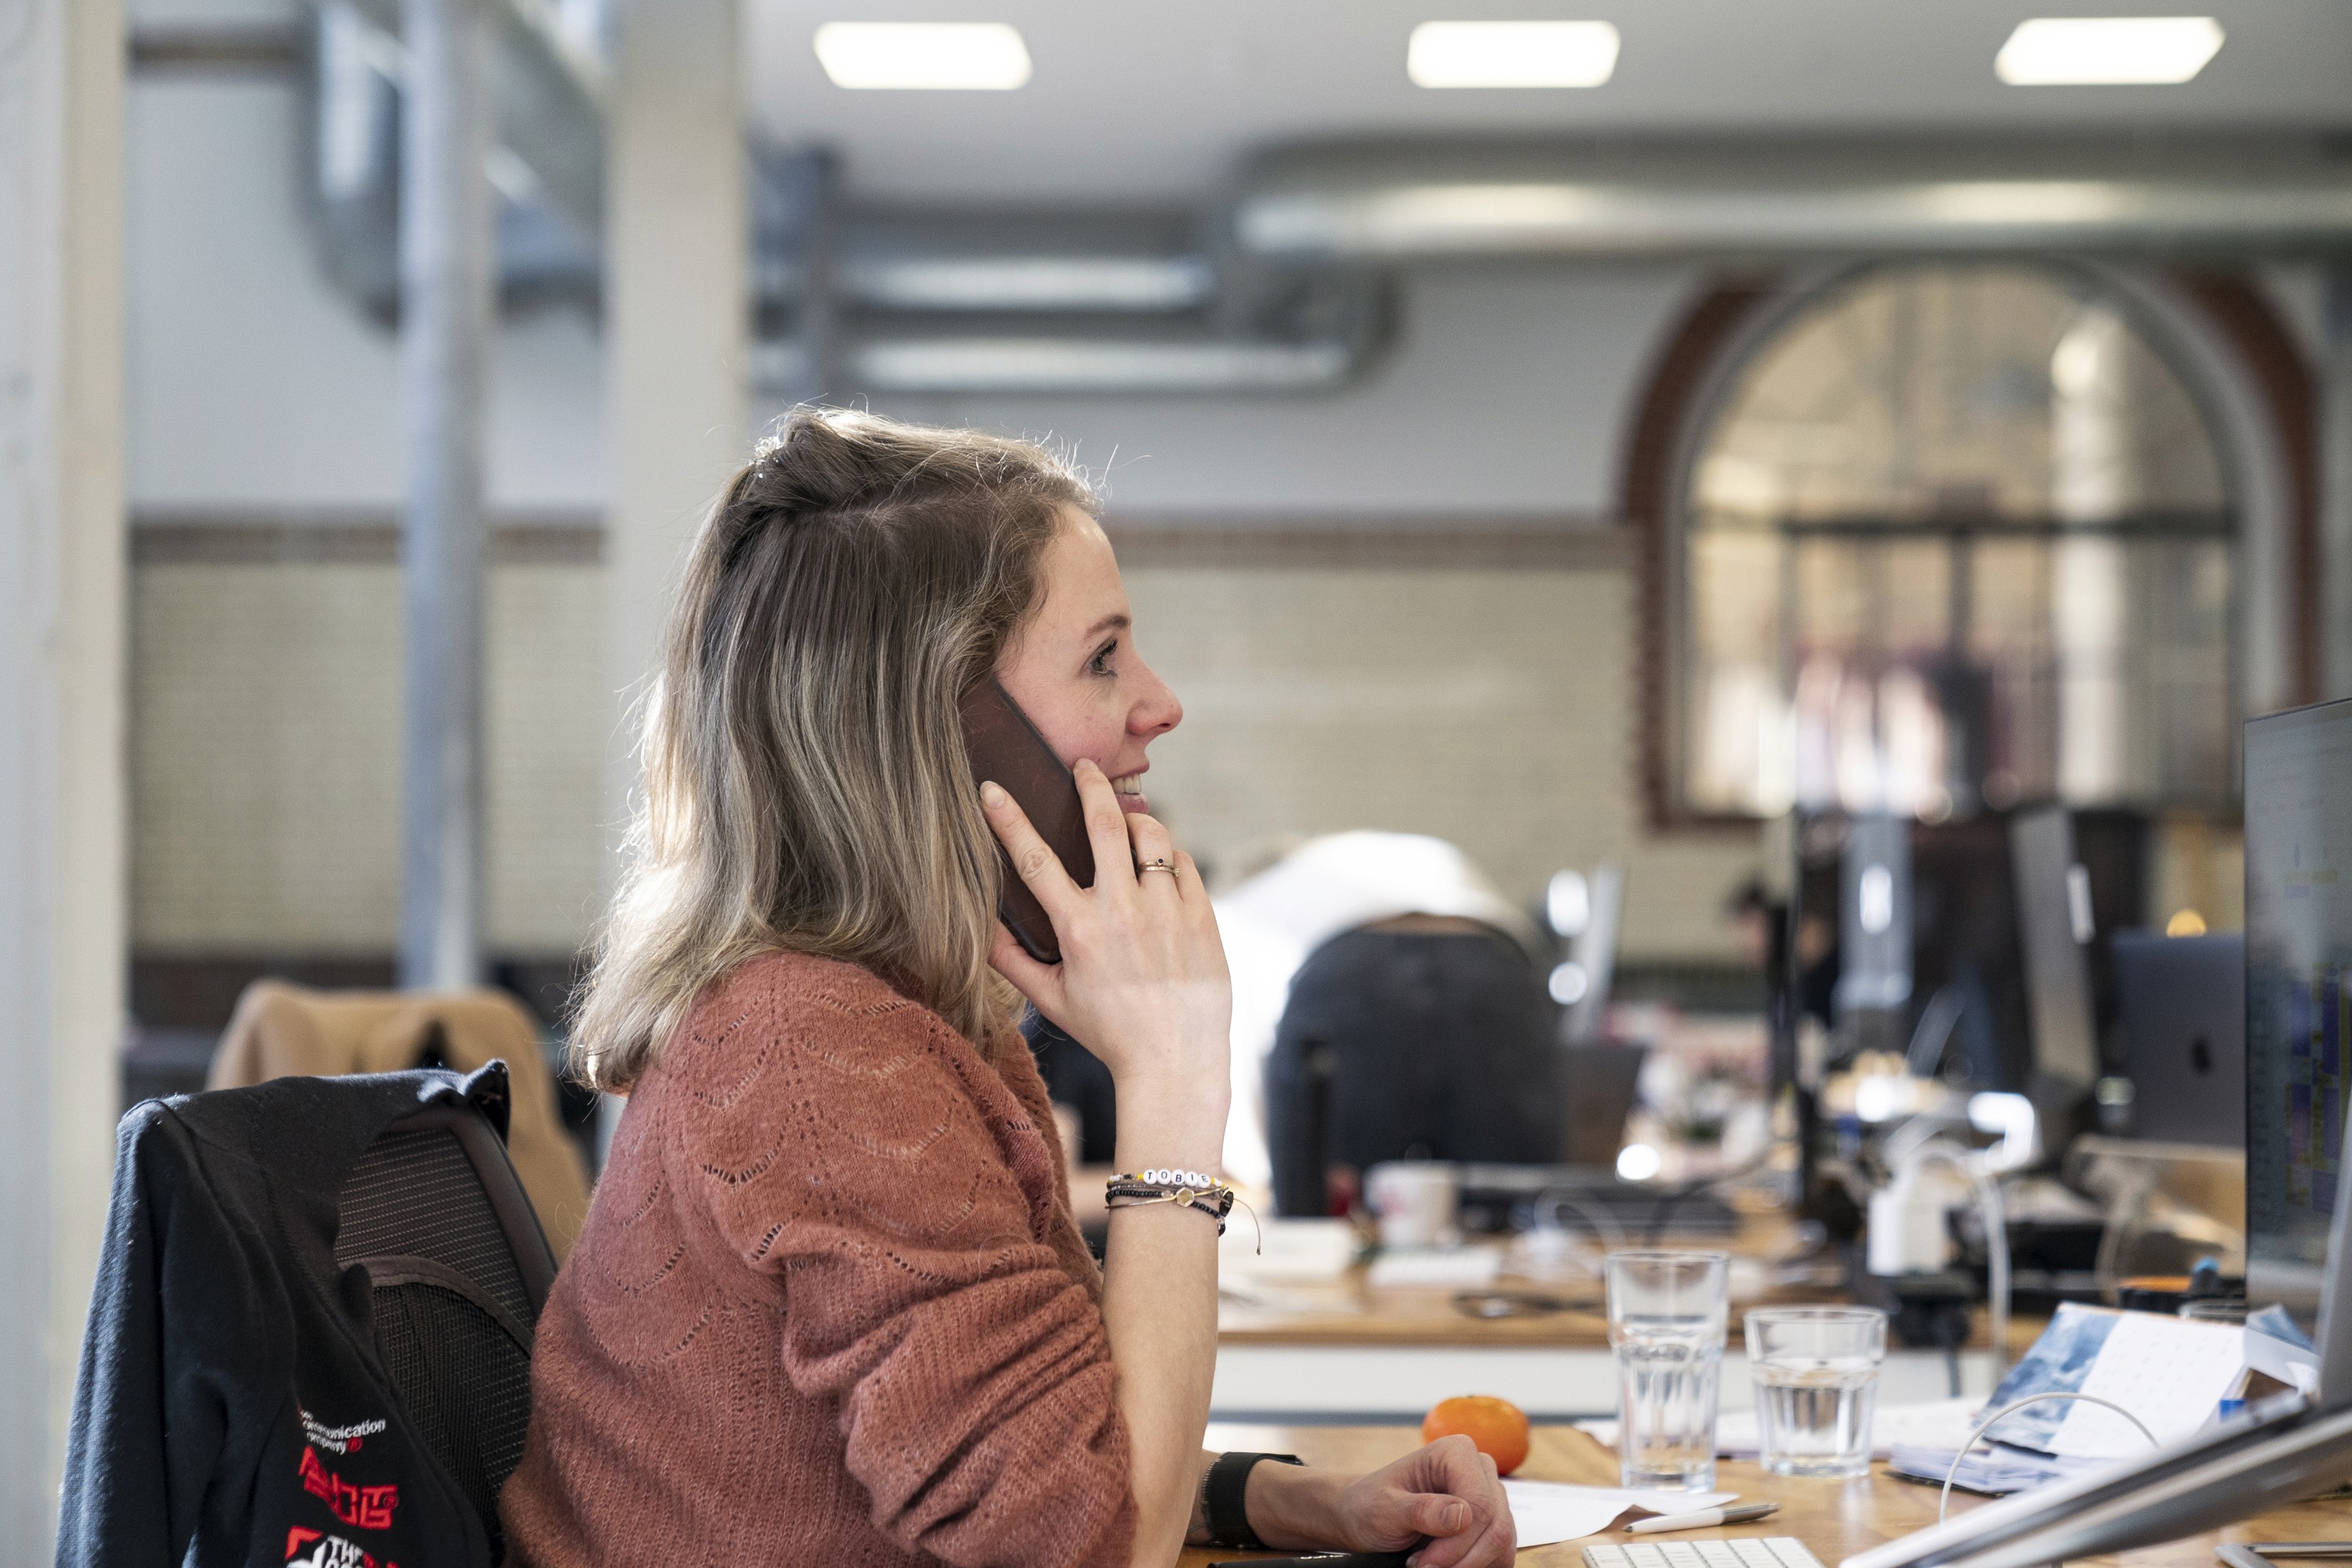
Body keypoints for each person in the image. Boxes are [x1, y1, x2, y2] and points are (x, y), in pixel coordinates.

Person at [499, 410, 1515, 1568]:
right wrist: (1174, 1078)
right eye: (1103, 658)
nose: (1160, 704)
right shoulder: (811, 1052)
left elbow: (1050, 1451)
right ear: (944, 727)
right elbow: (1091, 1549)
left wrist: (1301, 1503)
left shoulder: (897, 1019)